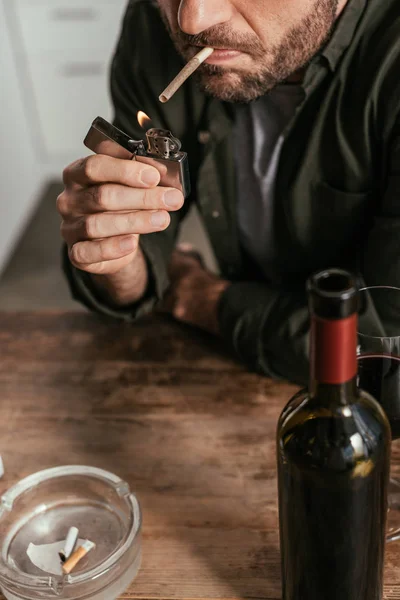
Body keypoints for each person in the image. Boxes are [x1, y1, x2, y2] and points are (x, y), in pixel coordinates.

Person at [58, 0, 400, 384]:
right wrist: (117, 255)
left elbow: (384, 356)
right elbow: (137, 260)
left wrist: (202, 298)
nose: (192, 19)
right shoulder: (156, 23)